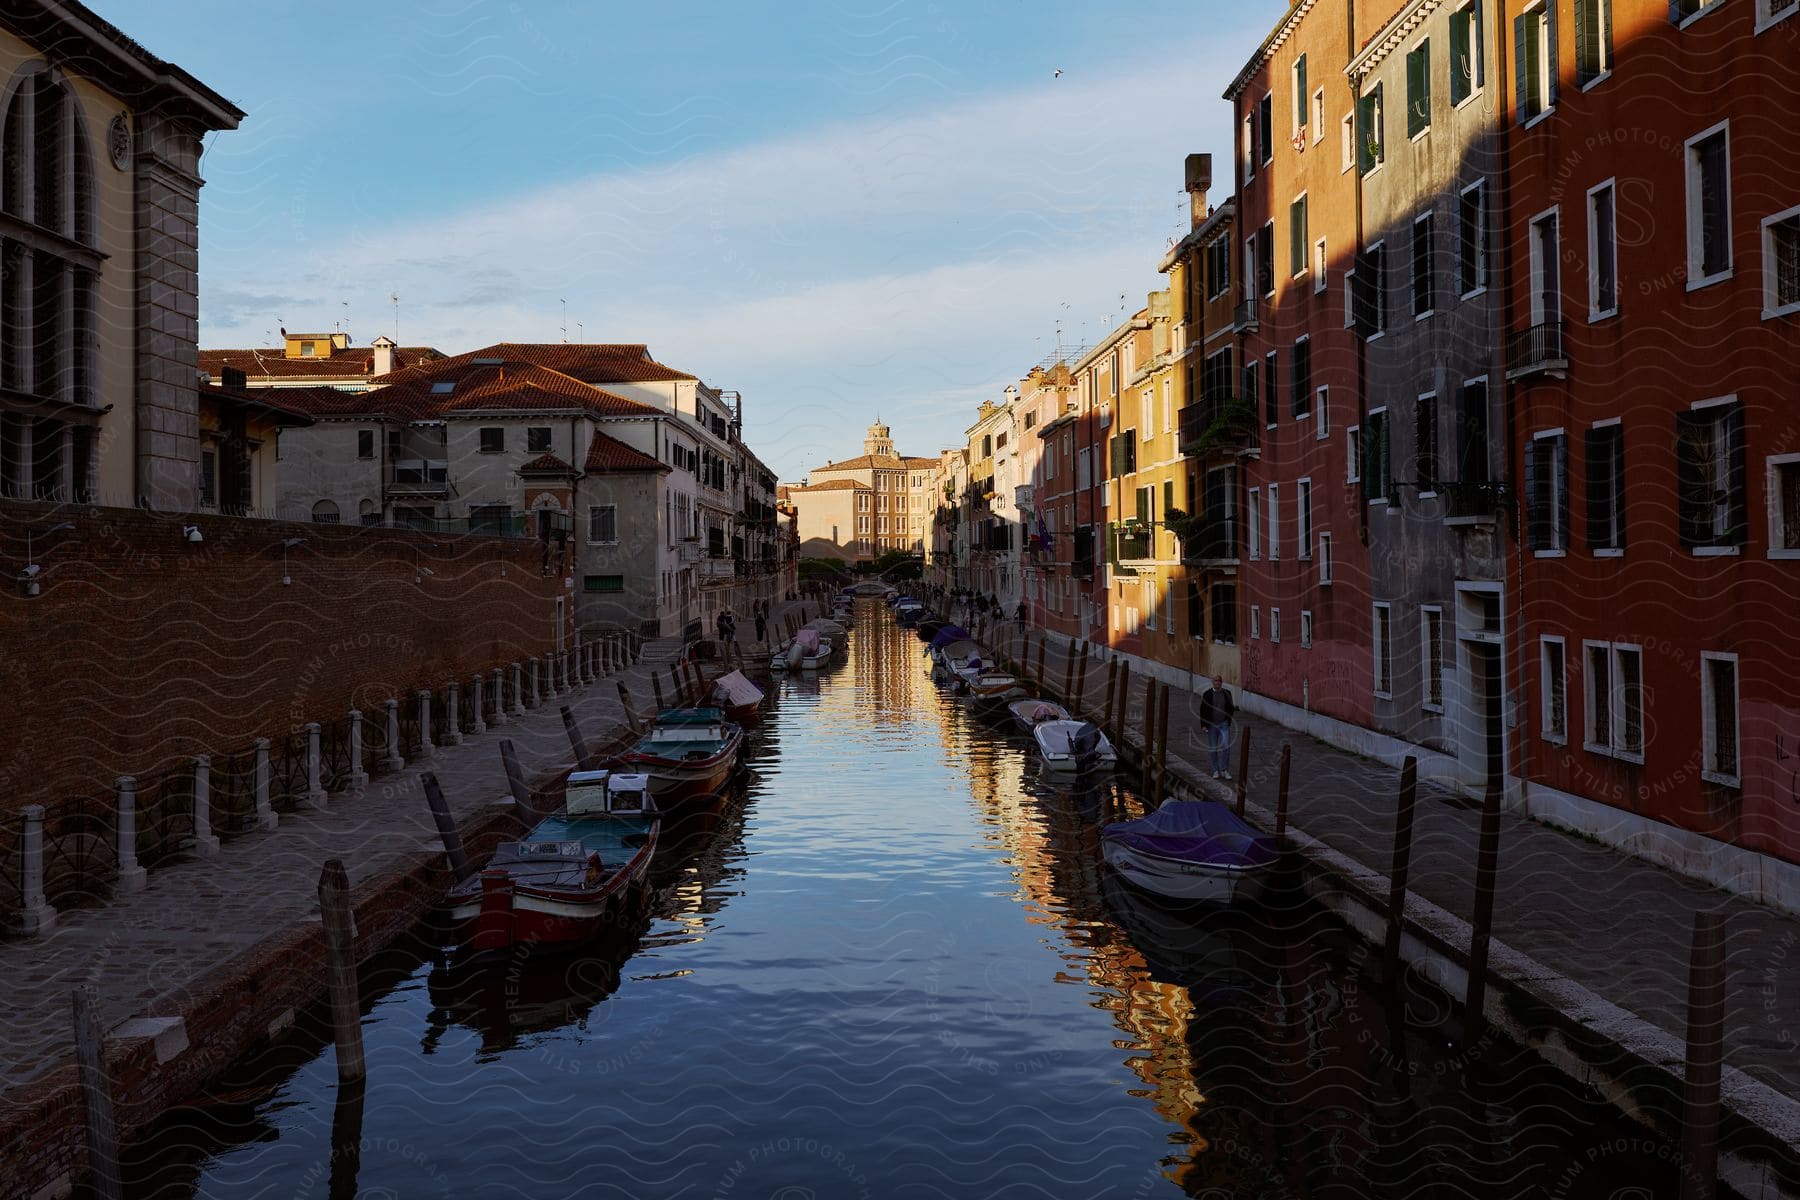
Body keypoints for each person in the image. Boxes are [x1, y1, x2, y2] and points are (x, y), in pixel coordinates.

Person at [1199, 675, 1235, 780]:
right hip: (1212, 725)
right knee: (1213, 749)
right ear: (1212, 682)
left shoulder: (1227, 693)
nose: (1218, 682)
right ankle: (1215, 770)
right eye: (1216, 681)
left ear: (1222, 682)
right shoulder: (1207, 694)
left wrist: (1228, 720)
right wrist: (1203, 725)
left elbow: (1230, 707)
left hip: (1224, 724)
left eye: (1220, 681)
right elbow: (1203, 710)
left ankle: (1224, 770)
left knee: (1226, 747)